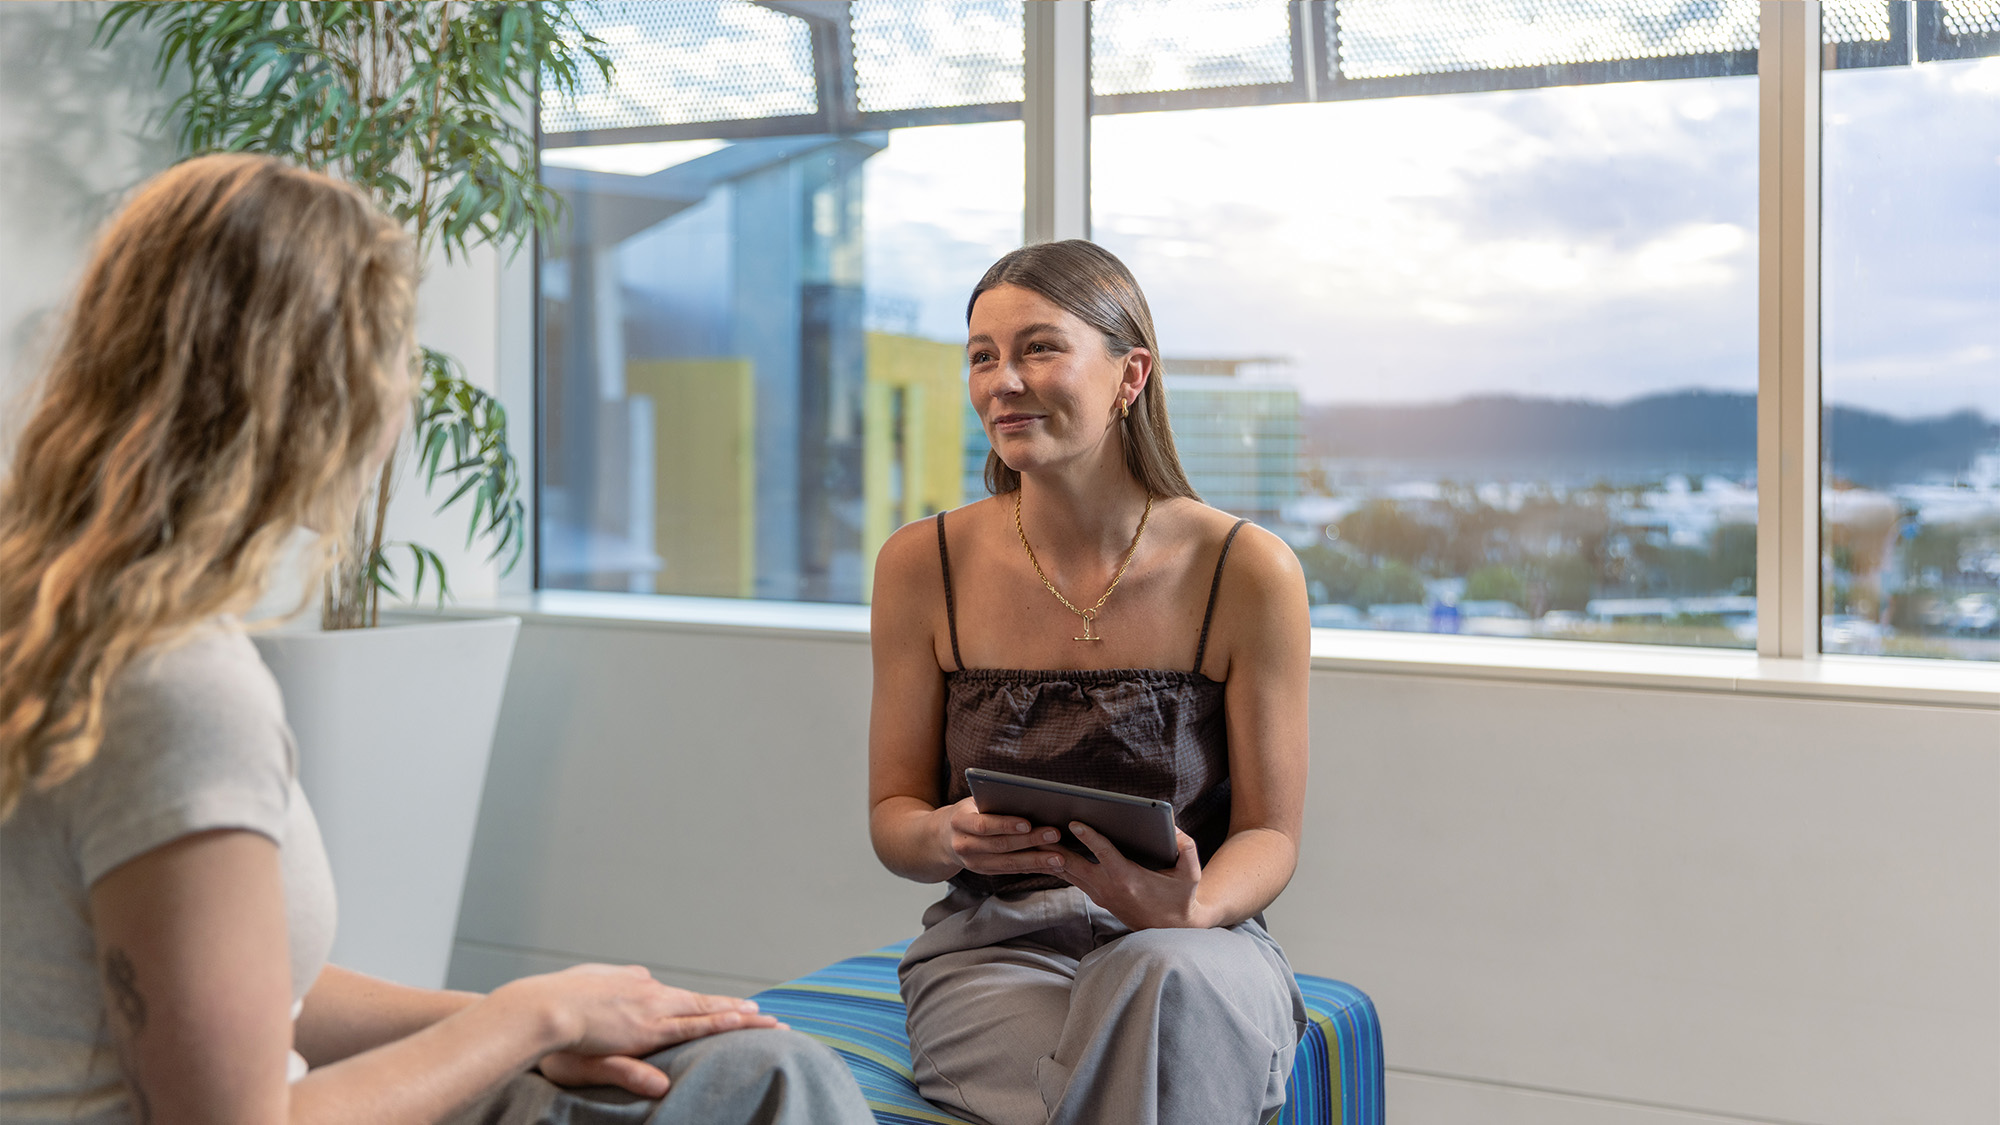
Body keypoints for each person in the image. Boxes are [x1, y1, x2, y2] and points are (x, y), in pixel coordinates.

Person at [0, 153, 873, 1125]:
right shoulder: (178, 693)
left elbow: (247, 997)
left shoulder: (56, 621)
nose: (404, 397)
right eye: (393, 358)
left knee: (739, 1062)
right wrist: (529, 1015)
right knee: (765, 1079)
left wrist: (550, 1020)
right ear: (317, 392)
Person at [867, 239, 1312, 1125]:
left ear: (1129, 374)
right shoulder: (924, 564)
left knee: (1164, 981)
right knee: (1164, 1063)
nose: (1003, 380)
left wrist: (1192, 906)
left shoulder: (1245, 568)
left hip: (1198, 940)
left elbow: (1269, 831)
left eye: (1038, 347)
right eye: (982, 356)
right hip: (995, 953)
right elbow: (893, 822)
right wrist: (949, 834)